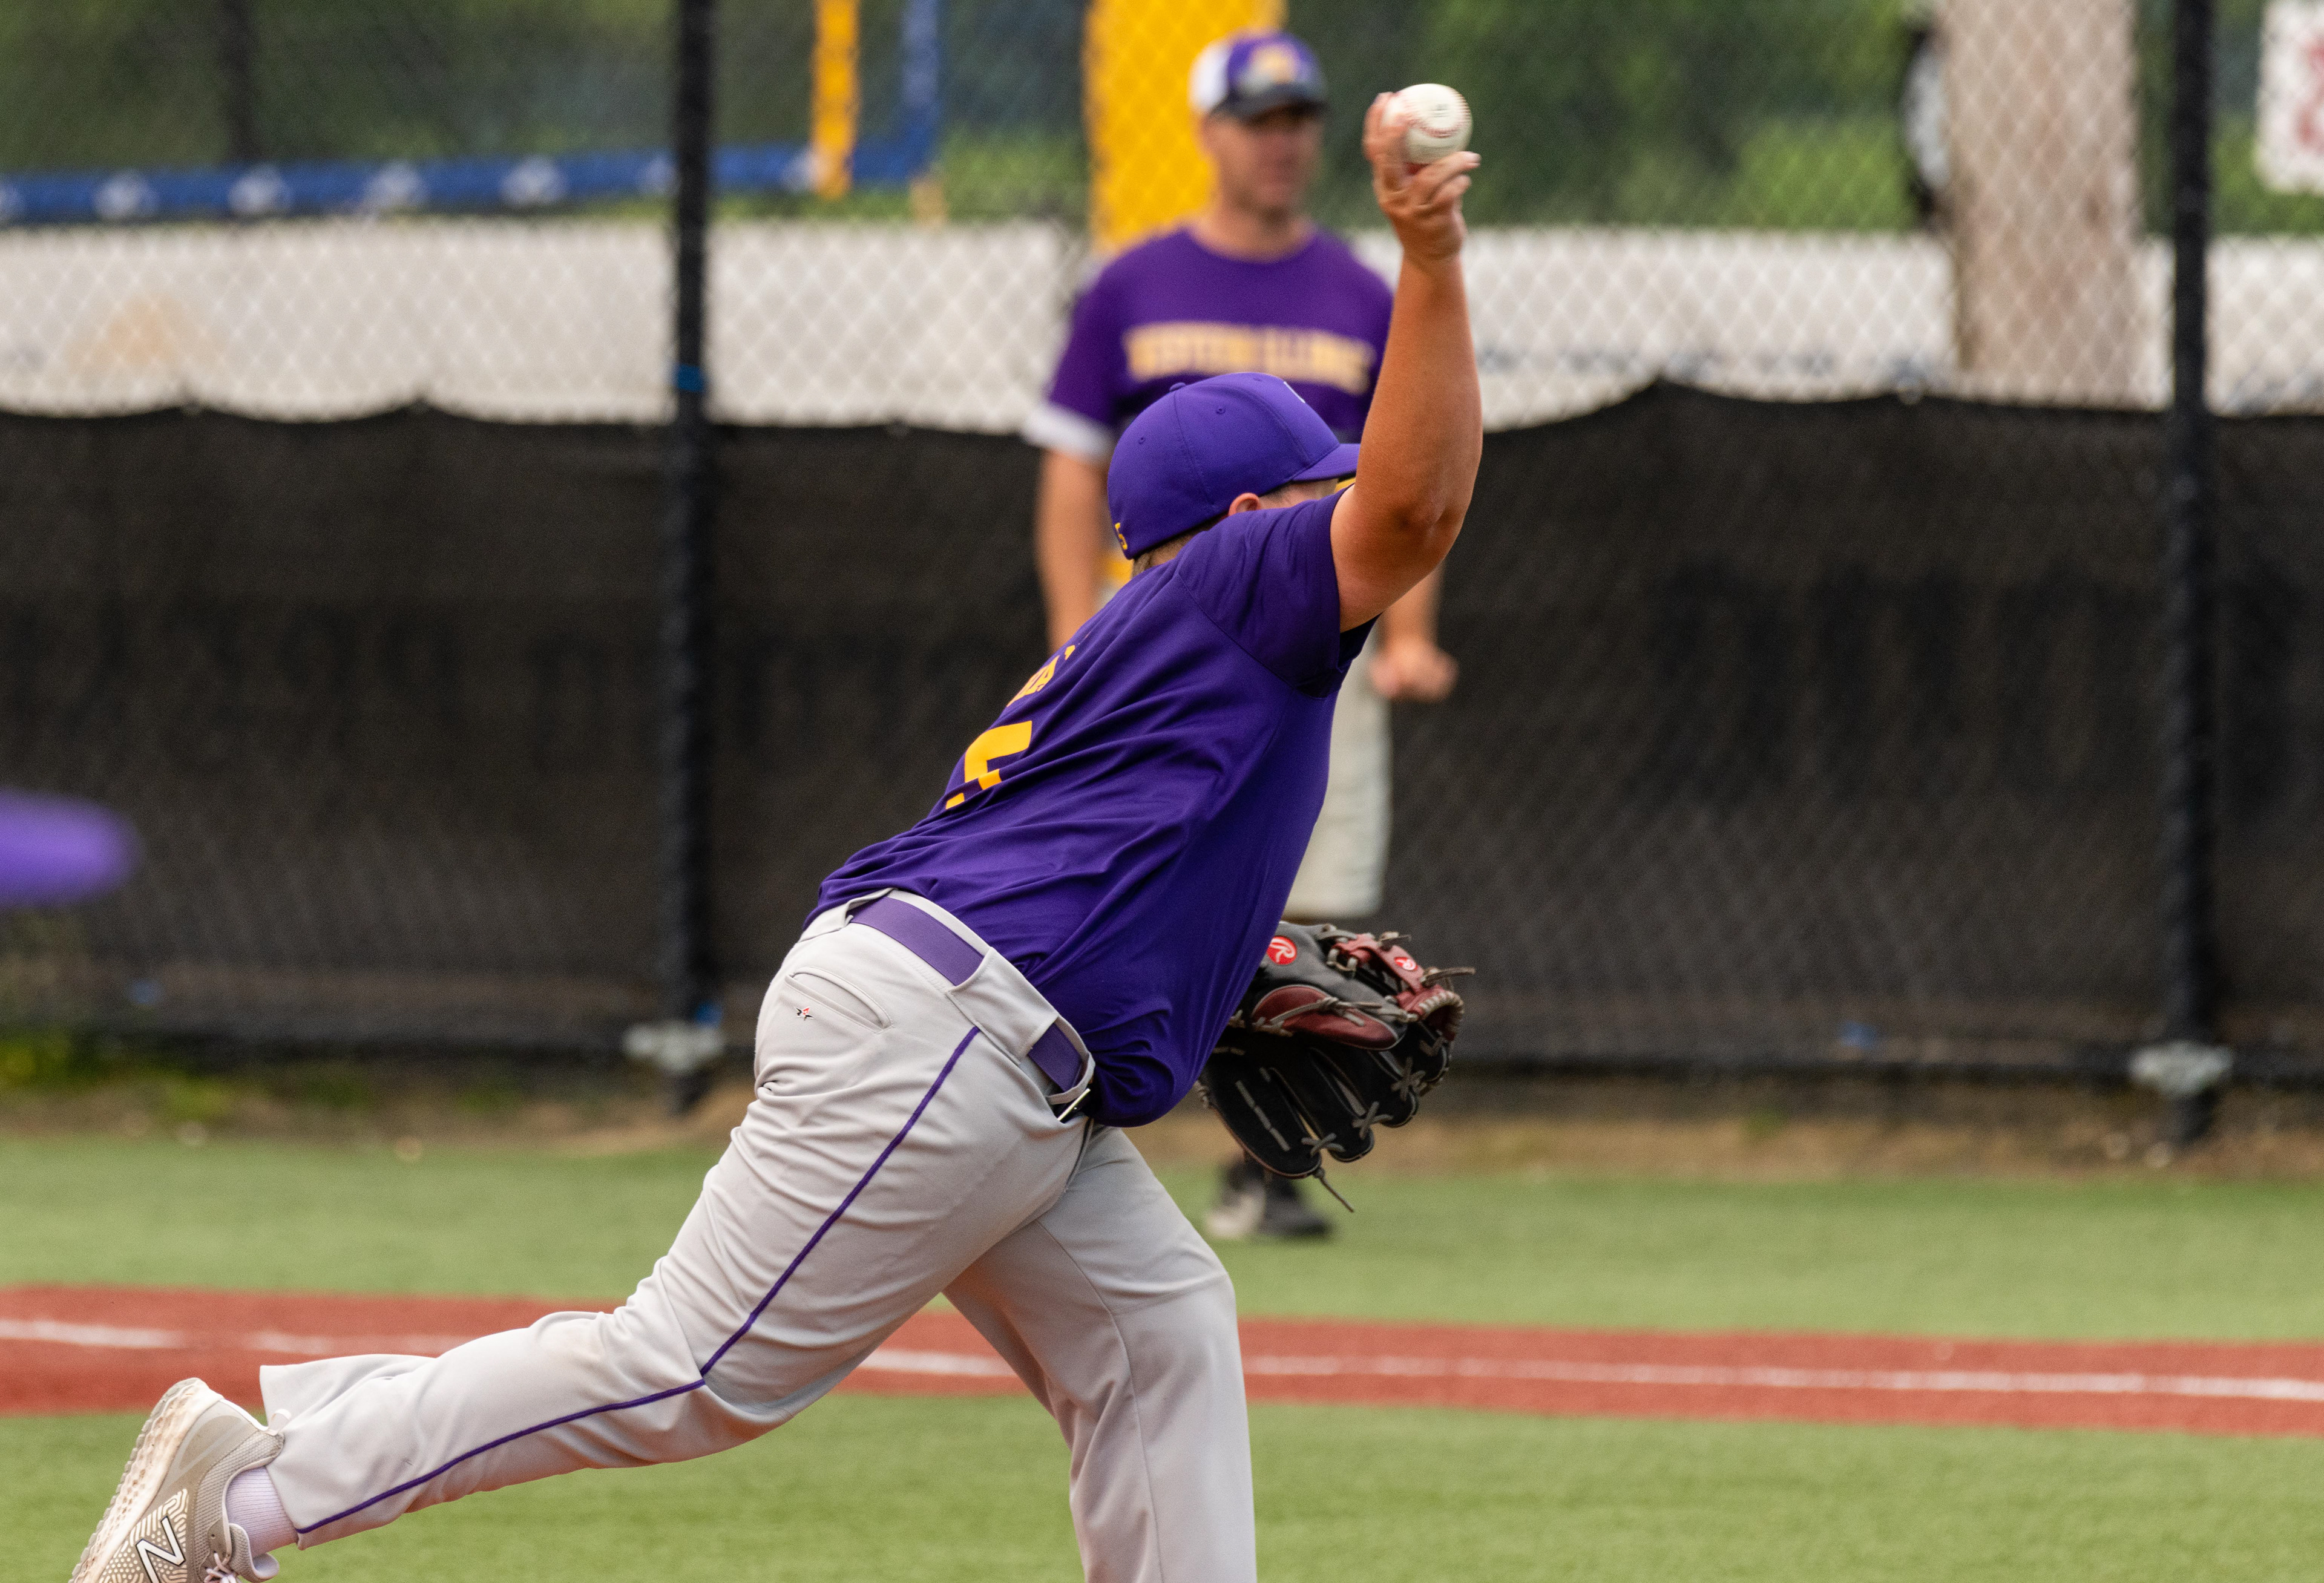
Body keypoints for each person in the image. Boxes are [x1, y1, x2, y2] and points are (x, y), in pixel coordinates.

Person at [68, 96, 1481, 1583]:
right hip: (951, 1045)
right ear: (1251, 513)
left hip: (973, 1039)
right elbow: (1417, 504)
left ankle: (274, 1463)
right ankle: (245, 1500)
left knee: (1160, 1334)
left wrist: (1211, 967)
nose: (1343, 504)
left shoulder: (1159, 647)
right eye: (1317, 486)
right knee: (687, 1371)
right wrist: (1432, 257)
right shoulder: (1240, 582)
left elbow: (1096, 861)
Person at [1023, 28, 1459, 1241]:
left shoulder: (1355, 291)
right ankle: (1073, 1122)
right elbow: (1072, 468)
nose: (1281, 143)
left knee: (1311, 882)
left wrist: (1408, 632)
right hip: (1152, 647)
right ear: (1207, 134)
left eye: (1297, 120)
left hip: (1318, 625)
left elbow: (1402, 487)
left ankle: (1263, 1166)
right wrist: (1071, 627)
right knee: (1136, 878)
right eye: (1258, 121)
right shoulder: (1133, 284)